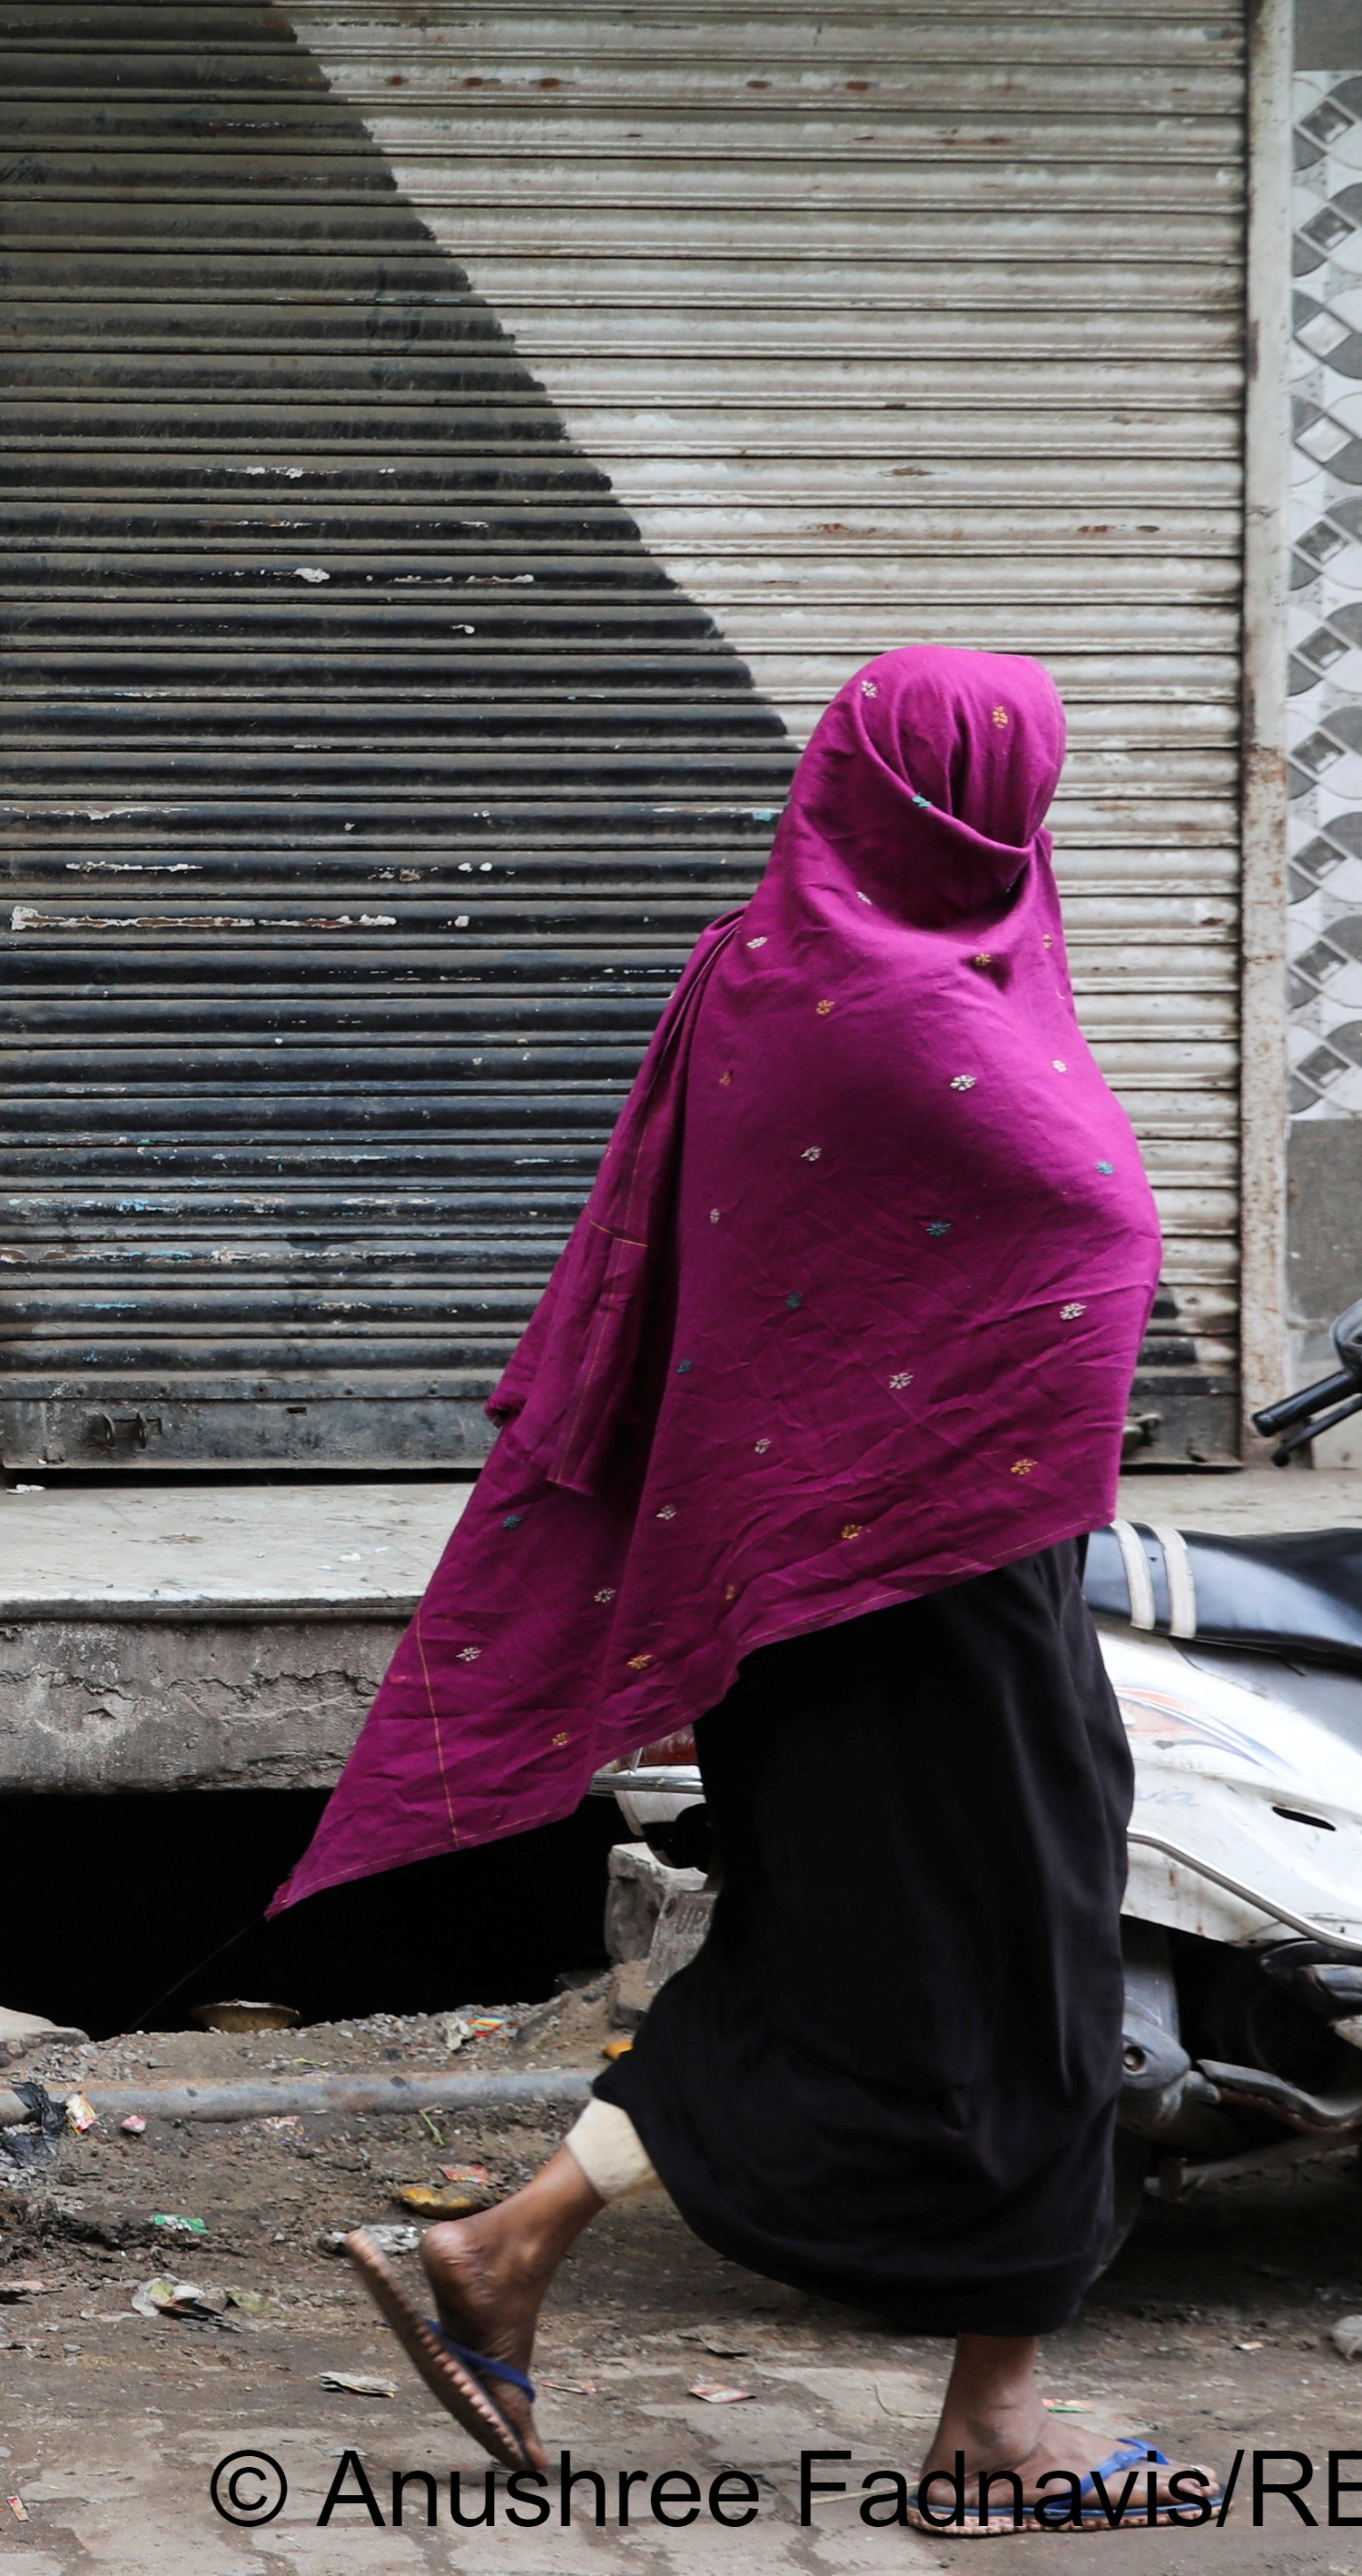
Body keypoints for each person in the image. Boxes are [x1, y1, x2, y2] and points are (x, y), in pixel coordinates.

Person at [287, 649, 1208, 2533]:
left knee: (830, 1952)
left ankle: (509, 2256)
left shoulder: (762, 961)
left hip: (799, 1562)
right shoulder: (904, 997)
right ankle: (987, 2423)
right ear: (978, 806)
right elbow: (1092, 1217)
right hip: (922, 1564)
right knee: (1029, 1970)